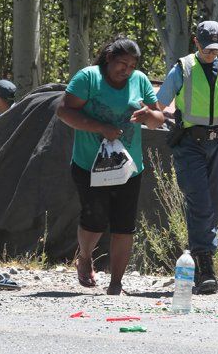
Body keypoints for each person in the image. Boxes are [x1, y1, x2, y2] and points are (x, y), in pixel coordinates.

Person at [56, 36, 164, 295]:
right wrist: (100, 127)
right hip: (89, 164)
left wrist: (149, 115)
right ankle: (84, 257)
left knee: (124, 225)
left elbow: (158, 119)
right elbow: (64, 111)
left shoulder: (140, 81)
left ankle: (116, 283)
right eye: (121, 64)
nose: (126, 70)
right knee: (94, 219)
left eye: (131, 65)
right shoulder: (88, 78)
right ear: (108, 58)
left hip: (128, 168)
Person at [156, 21, 218, 295]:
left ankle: (197, 258)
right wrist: (145, 114)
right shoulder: (182, 69)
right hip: (190, 145)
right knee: (199, 201)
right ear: (196, 42)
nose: (212, 53)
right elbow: (158, 105)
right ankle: (205, 266)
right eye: (207, 48)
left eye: (216, 49)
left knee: (214, 201)